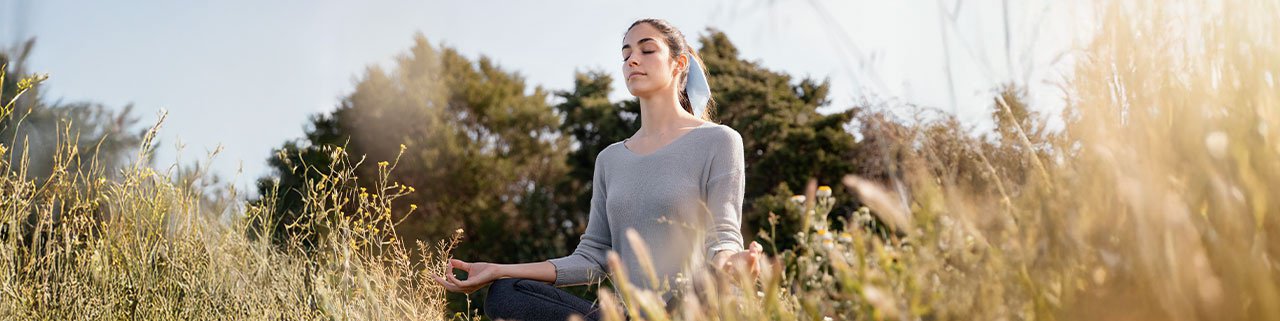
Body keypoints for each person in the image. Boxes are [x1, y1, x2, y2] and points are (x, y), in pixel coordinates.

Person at [433, 18, 763, 321]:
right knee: (507, 293)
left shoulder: (718, 141)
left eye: (647, 50)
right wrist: (497, 269)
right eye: (626, 54)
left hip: (688, 309)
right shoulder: (610, 159)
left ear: (680, 64)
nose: (633, 60)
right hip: (625, 315)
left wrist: (732, 263)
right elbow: (592, 257)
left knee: (706, 283)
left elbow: (723, 236)